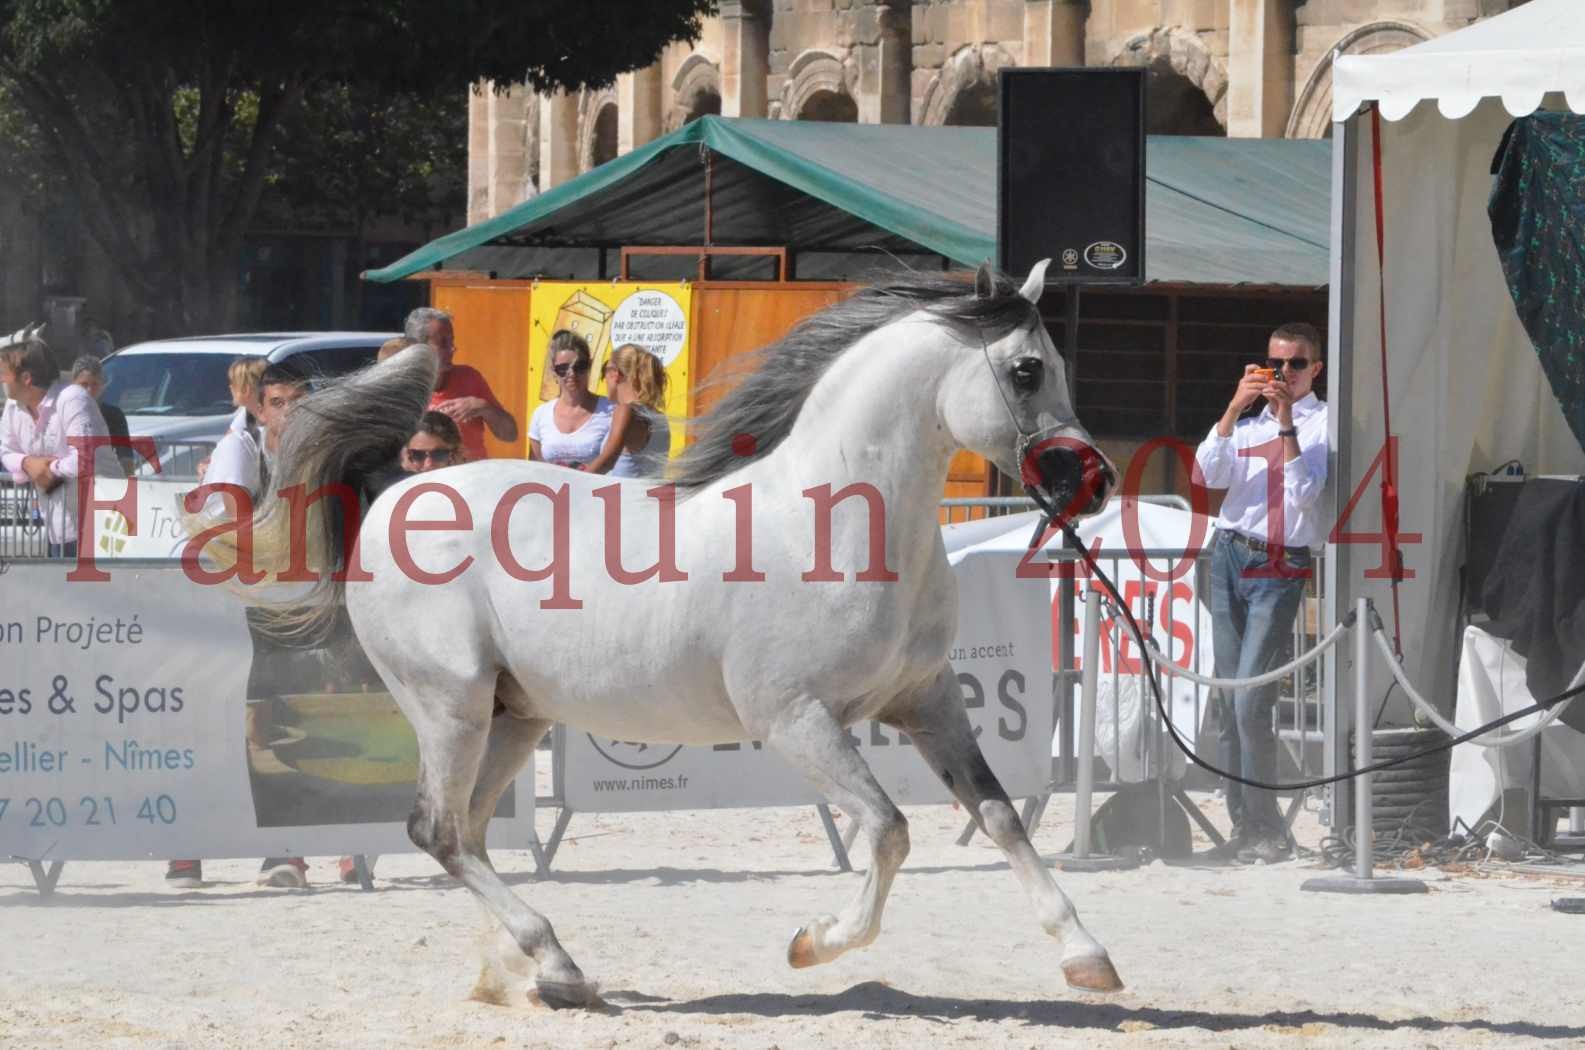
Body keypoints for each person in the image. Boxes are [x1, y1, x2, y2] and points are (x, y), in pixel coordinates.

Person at [167, 361, 313, 890]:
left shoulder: (318, 453)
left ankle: (286, 854)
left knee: (274, 729)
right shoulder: (240, 450)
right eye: (279, 403)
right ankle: (189, 852)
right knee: (218, 726)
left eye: (299, 400)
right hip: (235, 605)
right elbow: (221, 527)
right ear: (259, 406)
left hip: (289, 609)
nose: (290, 412)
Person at [1194, 322, 1329, 865]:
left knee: (1252, 699)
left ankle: (1267, 827)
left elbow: (1306, 492)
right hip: (1227, 552)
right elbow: (1207, 473)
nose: (1284, 375)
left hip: (1278, 562)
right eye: (1275, 365)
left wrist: (1286, 423)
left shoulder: (1322, 423)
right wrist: (1232, 410)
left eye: (1296, 365)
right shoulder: (1246, 425)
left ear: (1315, 369)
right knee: (1230, 699)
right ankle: (1244, 828)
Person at [0, 330, 115, 558]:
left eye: (4, 373)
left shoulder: (73, 399)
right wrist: (27, 464)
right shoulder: (14, 407)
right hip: (58, 526)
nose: (1, 379)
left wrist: (46, 469)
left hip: (103, 525)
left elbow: (84, 459)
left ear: (26, 379)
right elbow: (4, 450)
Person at [403, 307, 516, 461]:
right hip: (428, 482)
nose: (453, 348)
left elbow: (510, 435)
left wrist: (484, 408)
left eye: (452, 340)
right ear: (417, 347)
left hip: (472, 480)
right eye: (443, 342)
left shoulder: (469, 378)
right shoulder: (403, 392)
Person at [527, 330, 614, 469]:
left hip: (596, 490)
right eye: (563, 368)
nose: (571, 374)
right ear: (553, 371)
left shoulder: (611, 411)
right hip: (553, 490)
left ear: (590, 366)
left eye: (579, 366)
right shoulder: (540, 415)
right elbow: (534, 470)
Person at [581, 344, 672, 478]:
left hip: (624, 497)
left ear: (615, 374)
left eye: (604, 370)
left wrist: (572, 483)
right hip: (650, 497)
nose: (604, 379)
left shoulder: (626, 410)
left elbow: (608, 461)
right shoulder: (659, 417)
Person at [69, 355, 132, 476]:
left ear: (102, 385)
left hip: (105, 483)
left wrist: (129, 487)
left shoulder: (114, 415)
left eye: (95, 384)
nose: (89, 390)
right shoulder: (63, 412)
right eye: (84, 384)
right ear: (73, 384)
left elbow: (126, 458)